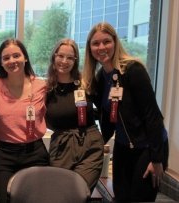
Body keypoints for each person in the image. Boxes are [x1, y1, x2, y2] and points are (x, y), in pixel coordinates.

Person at [82, 22, 168, 202]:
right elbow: (108, 119)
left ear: (115, 42)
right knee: (121, 197)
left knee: (139, 198)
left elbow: (152, 116)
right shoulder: (100, 79)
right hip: (122, 148)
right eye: (95, 43)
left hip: (146, 148)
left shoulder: (133, 70)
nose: (101, 47)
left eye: (106, 41)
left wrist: (157, 159)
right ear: (90, 48)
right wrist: (94, 146)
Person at [0, 39, 49, 203]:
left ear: (25, 58)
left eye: (16, 55)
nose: (12, 61)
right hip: (5, 155)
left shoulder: (41, 86)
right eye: (6, 58)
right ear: (1, 63)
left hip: (35, 153)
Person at [45, 38, 104, 192]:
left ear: (75, 60)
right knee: (60, 194)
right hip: (61, 146)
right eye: (61, 56)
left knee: (79, 192)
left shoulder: (87, 83)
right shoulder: (45, 89)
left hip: (90, 145)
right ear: (54, 56)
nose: (64, 61)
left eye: (70, 57)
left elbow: (106, 108)